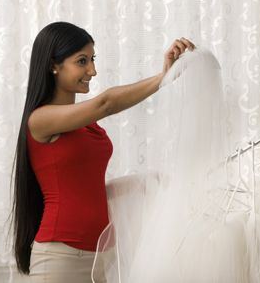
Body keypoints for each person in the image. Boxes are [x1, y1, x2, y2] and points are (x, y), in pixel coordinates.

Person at [11, 21, 195, 282]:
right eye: (82, 61)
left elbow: (83, 186)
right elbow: (106, 103)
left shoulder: (85, 125)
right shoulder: (40, 120)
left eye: (92, 60)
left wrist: (141, 184)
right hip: (60, 259)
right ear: (54, 65)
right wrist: (161, 78)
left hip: (98, 255)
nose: (93, 70)